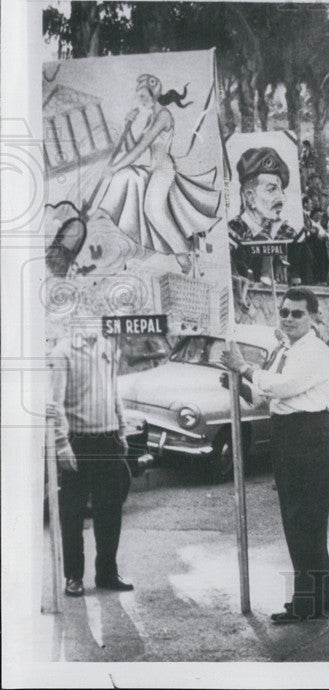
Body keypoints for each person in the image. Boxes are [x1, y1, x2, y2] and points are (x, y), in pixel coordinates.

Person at [220, 288, 329, 623]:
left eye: (297, 314)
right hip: (288, 431)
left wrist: (244, 367)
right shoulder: (284, 349)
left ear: (313, 317)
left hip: (309, 432)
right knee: (299, 516)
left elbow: (284, 386)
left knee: (304, 518)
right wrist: (239, 384)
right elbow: (262, 397)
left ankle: (308, 602)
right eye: (284, 312)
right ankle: (321, 592)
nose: (288, 319)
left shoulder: (315, 350)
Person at [94, 74, 220, 272]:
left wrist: (114, 167)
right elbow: (133, 147)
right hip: (152, 169)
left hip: (163, 170)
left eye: (143, 96)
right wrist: (128, 125)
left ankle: (183, 252)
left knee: (153, 210)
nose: (141, 100)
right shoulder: (152, 117)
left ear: (154, 94)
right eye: (140, 96)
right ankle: (116, 229)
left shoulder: (163, 116)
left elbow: (140, 148)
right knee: (125, 178)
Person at [48, 325, 134, 598]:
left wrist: (121, 429)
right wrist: (62, 445)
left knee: (110, 511)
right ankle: (73, 576)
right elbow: (54, 403)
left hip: (107, 440)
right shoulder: (63, 351)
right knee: (72, 513)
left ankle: (107, 573)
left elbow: (113, 390)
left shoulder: (107, 346)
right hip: (78, 442)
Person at [227, 147, 299, 282]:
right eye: (272, 189)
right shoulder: (233, 230)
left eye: (281, 190)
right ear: (250, 198)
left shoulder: (286, 232)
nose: (281, 198)